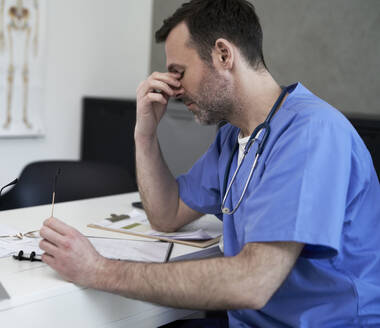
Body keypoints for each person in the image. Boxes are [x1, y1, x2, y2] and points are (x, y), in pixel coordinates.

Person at [38, 0, 380, 326]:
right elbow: (166, 214)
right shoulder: (233, 140)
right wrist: (145, 135)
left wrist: (97, 269)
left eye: (179, 72)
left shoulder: (311, 133)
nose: (174, 89)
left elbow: (252, 282)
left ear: (223, 54)